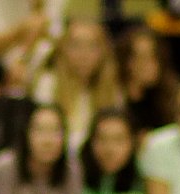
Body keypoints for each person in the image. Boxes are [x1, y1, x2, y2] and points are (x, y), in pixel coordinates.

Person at [31, 20, 123, 155]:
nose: (83, 54)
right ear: (63, 49)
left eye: (92, 46)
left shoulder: (114, 91)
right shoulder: (48, 85)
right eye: (76, 45)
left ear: (103, 51)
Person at [117, 24, 177, 135]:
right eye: (141, 57)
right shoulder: (115, 98)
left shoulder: (171, 96)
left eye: (153, 56)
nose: (149, 64)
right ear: (127, 61)